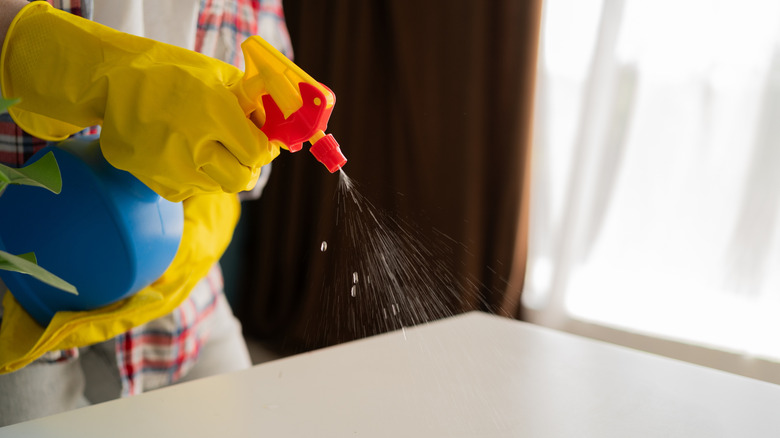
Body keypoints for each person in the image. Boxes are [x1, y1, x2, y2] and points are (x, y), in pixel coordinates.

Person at [0, 0, 292, 426]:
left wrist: (201, 226)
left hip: (185, 305)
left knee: (253, 424)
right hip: (19, 290)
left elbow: (269, 89)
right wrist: (65, 59)